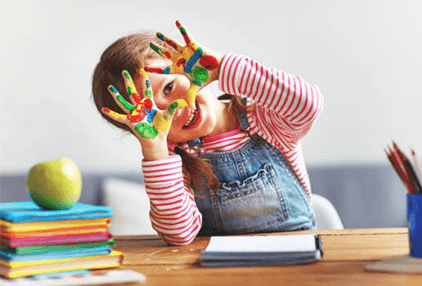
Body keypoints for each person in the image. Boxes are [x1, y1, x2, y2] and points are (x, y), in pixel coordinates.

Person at [92, 21, 324, 245]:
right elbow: (179, 234)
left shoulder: (264, 118)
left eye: (168, 87)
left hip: (297, 256)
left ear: (189, 67)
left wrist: (221, 66)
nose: (175, 110)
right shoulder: (175, 159)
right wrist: (156, 151)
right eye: (152, 115)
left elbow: (307, 105)